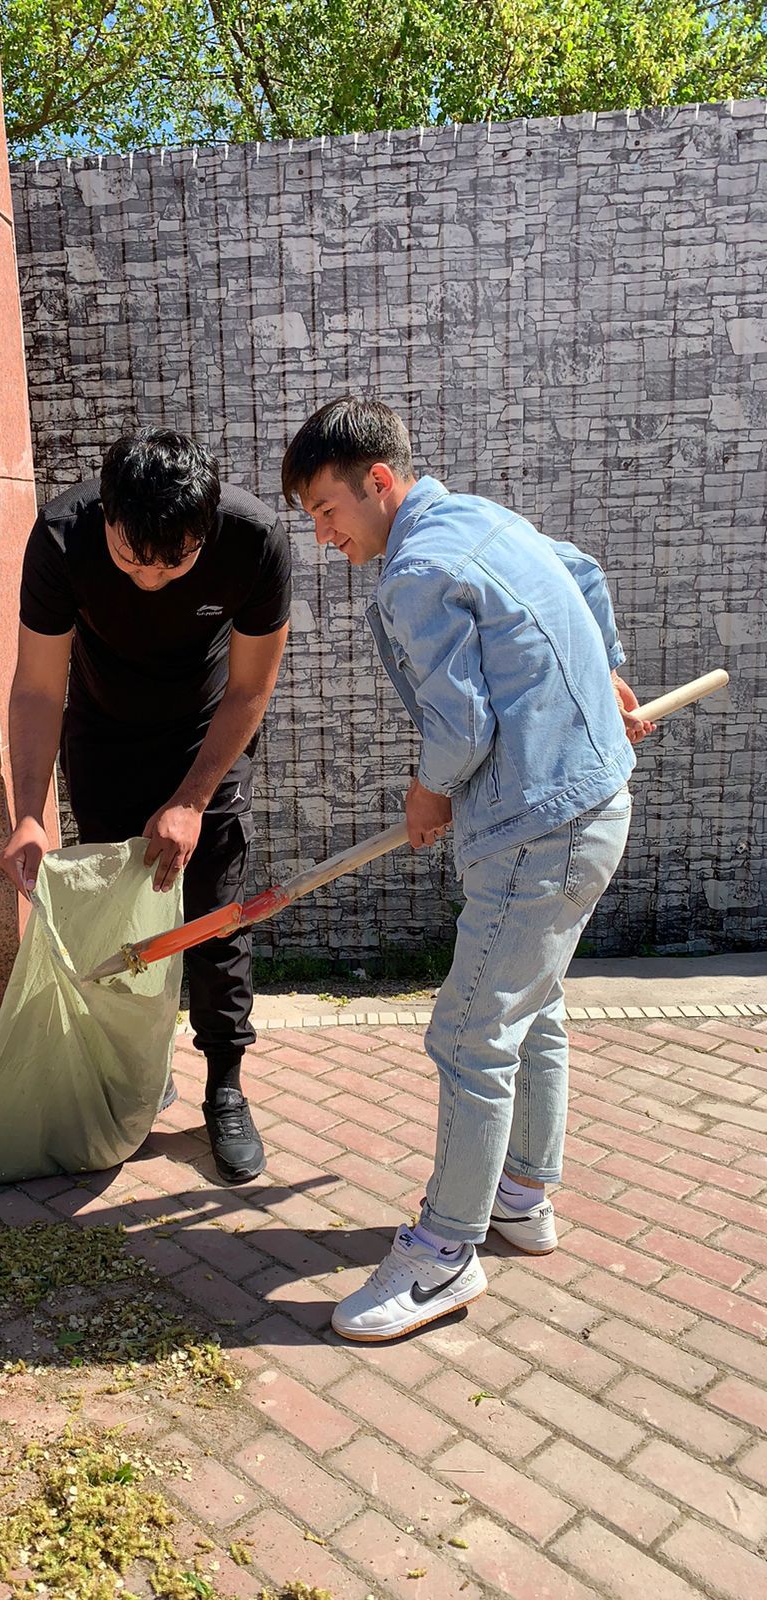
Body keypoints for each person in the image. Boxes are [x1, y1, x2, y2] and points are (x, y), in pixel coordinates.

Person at [281, 397, 652, 1340]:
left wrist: (428, 791)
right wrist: (609, 673)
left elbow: (463, 727)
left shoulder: (417, 569)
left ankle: (444, 1253)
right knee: (532, 1005)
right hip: (594, 804)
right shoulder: (483, 519)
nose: (323, 536)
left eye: (327, 511)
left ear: (379, 482)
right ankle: (521, 1196)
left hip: (536, 826)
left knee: (469, 1034)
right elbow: (582, 571)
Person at [1, 428, 291, 1183]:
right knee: (118, 920)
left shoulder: (254, 540)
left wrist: (193, 798)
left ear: (207, 531)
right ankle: (135, 1074)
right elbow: (38, 688)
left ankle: (225, 1088)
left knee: (214, 919)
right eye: (133, 560)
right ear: (106, 517)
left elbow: (251, 687)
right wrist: (29, 813)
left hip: (207, 736)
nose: (153, 579)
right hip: (103, 736)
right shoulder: (61, 540)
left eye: (175, 563)